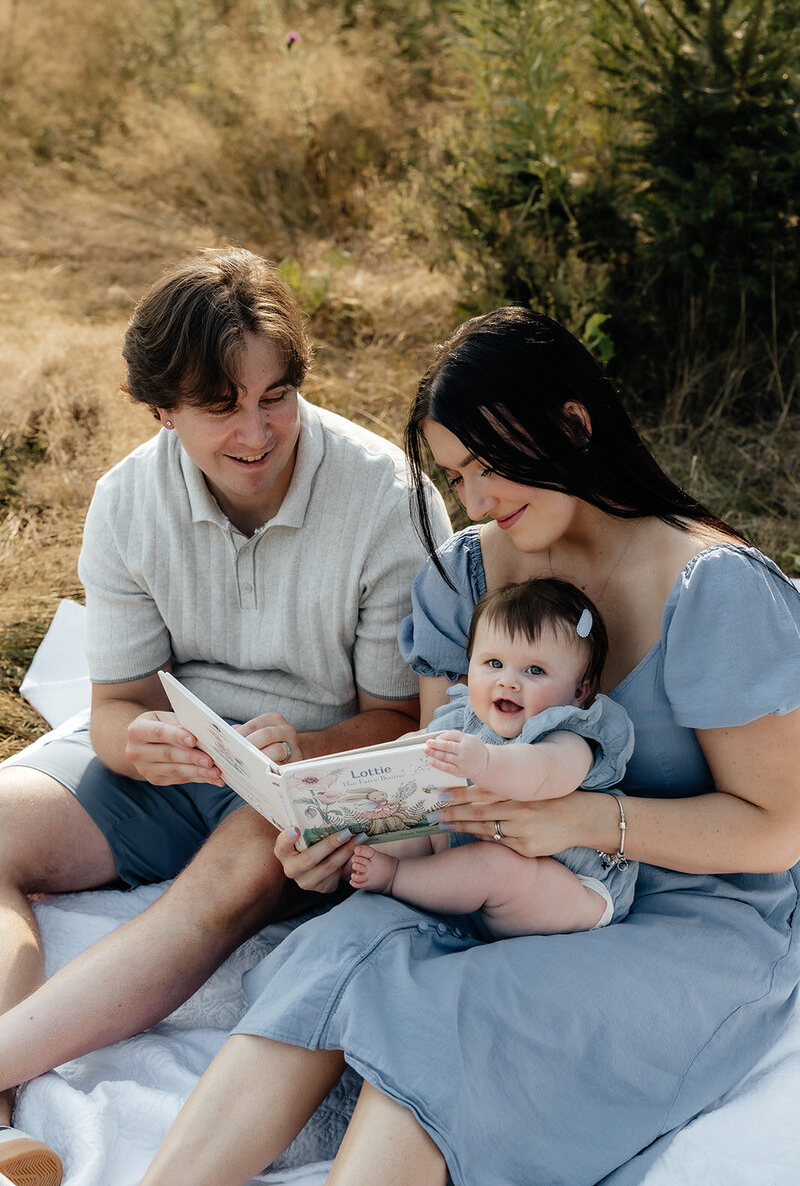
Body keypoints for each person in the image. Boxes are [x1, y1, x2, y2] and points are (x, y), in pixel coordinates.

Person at [131, 304, 800, 1186]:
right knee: (345, 948)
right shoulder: (470, 574)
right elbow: (438, 766)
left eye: (490, 466)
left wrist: (580, 819)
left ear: (573, 424)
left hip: (686, 911)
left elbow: (775, 830)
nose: (476, 501)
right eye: (457, 477)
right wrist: (347, 835)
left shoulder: (712, 590)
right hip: (483, 864)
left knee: (461, 1007)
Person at [0, 247, 450, 1186]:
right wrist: (145, 745)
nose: (257, 432)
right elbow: (116, 709)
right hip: (180, 760)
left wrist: (307, 748)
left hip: (310, 777)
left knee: (229, 877)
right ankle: (4, 1118)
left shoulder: (381, 495)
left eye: (275, 396)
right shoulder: (128, 498)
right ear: (163, 410)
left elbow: (403, 718)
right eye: (221, 406)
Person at [350, 577, 637, 937]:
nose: (508, 682)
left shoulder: (570, 734)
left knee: (497, 866)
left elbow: (541, 773)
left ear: (578, 691)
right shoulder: (464, 719)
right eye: (494, 663)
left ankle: (395, 879)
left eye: (535, 670)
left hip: (571, 884)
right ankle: (371, 862)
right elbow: (419, 753)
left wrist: (485, 763)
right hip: (471, 863)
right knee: (414, 826)